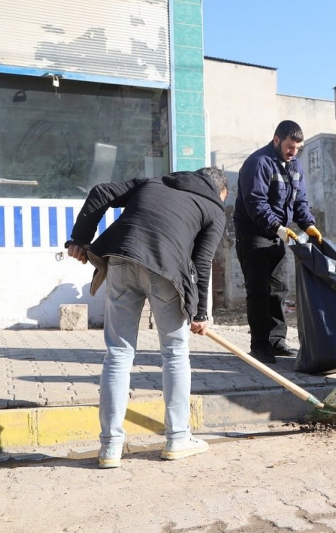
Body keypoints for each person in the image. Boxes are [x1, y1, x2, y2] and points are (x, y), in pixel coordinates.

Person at [66, 167, 229, 468]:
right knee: (175, 353)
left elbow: (101, 191)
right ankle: (178, 438)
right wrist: (201, 313)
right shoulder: (214, 209)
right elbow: (202, 262)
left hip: (121, 259)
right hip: (165, 271)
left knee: (117, 353)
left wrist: (80, 238)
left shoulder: (154, 182)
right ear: (222, 193)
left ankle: (110, 448)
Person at [233, 120, 322, 364]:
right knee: (259, 291)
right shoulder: (258, 163)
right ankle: (260, 346)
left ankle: (276, 341)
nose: (293, 152)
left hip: (279, 235)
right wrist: (277, 227)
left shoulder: (295, 166)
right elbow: (255, 202)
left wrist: (308, 225)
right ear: (276, 140)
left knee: (278, 290)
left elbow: (300, 201)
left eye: (298, 148)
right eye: (290, 146)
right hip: (254, 235)